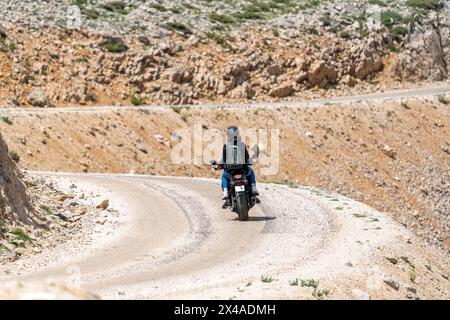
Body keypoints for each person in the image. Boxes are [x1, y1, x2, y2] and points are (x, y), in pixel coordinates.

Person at [220, 125, 259, 200]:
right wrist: (250, 160)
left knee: (224, 176)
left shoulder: (226, 146)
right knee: (251, 172)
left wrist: (219, 165)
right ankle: (253, 188)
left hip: (230, 172)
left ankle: (225, 192)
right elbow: (247, 157)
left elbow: (224, 161)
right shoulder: (241, 144)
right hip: (243, 170)